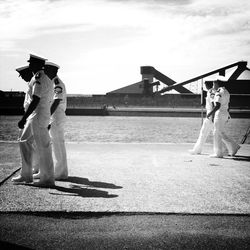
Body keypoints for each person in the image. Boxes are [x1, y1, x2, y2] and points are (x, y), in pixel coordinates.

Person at [12, 54, 55, 187]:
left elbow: (36, 99)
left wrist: (23, 118)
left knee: (39, 145)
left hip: (37, 115)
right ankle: (27, 175)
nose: (29, 65)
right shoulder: (44, 77)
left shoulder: (38, 77)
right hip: (41, 114)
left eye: (31, 63)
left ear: (37, 64)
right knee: (28, 142)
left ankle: (46, 179)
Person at [44, 61, 68, 180]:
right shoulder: (53, 83)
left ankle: (60, 173)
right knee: (58, 144)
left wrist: (47, 117)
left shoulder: (57, 83)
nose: (45, 72)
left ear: (53, 71)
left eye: (46, 70)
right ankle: (61, 172)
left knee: (58, 144)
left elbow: (56, 101)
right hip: (56, 115)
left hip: (56, 115)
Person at [207, 79, 240, 158]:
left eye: (213, 83)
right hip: (225, 113)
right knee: (221, 132)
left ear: (216, 83)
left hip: (220, 113)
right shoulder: (226, 91)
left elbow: (217, 105)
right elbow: (228, 105)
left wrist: (210, 113)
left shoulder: (219, 91)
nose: (213, 86)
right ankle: (234, 146)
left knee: (216, 133)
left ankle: (218, 153)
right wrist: (227, 115)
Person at [15, 65, 39, 174]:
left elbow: (35, 101)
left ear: (29, 72)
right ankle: (35, 167)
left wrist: (24, 119)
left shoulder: (35, 82)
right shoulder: (31, 83)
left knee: (25, 141)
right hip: (30, 115)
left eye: (23, 74)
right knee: (29, 142)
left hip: (32, 115)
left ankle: (27, 172)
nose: (22, 77)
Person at [189, 82, 215, 154]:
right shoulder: (211, 91)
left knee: (204, 133)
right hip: (210, 114)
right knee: (217, 133)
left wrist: (212, 115)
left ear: (207, 85)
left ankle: (197, 150)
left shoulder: (211, 91)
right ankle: (232, 147)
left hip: (210, 114)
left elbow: (213, 103)